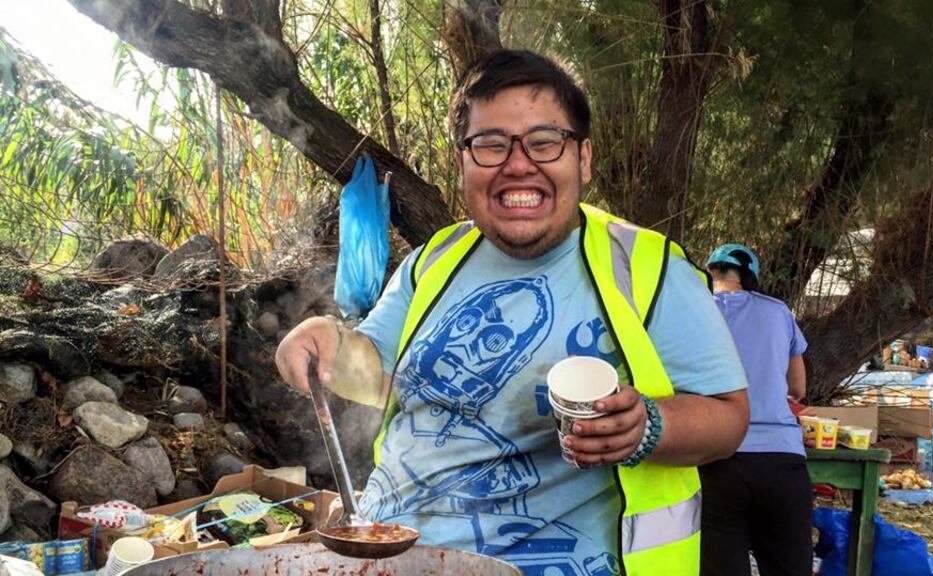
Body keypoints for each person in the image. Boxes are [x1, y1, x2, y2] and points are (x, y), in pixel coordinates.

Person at [275, 50, 749, 576]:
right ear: (462, 163)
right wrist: (326, 341)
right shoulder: (435, 258)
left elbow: (729, 415)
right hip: (393, 557)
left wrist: (648, 428)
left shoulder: (645, 268)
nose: (518, 164)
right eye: (491, 145)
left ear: (584, 159)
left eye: (545, 142)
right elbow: (376, 374)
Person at [698, 244, 812, 576]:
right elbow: (798, 388)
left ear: (711, 272)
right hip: (782, 461)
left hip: (717, 458)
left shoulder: (695, 311)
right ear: (751, 277)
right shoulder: (778, 311)